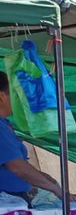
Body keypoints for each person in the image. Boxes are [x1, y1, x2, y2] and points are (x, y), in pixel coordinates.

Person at [0, 72, 63, 200]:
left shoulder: (5, 123)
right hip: (7, 205)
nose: (20, 101)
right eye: (16, 95)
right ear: (1, 97)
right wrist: (55, 189)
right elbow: (17, 167)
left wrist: (41, 176)